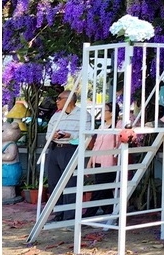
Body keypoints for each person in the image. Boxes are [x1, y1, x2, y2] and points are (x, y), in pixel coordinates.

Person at [45, 90, 95, 221]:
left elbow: (87, 137)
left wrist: (70, 136)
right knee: (54, 183)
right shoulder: (56, 116)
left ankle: (69, 216)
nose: (56, 101)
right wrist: (53, 136)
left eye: (59, 98)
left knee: (70, 183)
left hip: (71, 149)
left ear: (69, 100)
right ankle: (58, 214)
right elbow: (47, 135)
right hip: (55, 149)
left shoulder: (83, 115)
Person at [84, 101, 120, 217]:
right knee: (105, 189)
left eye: (104, 111)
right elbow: (95, 145)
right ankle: (109, 210)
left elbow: (120, 143)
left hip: (109, 162)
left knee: (99, 188)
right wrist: (89, 162)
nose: (102, 113)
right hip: (98, 161)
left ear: (112, 112)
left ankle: (90, 213)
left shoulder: (118, 125)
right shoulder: (102, 126)